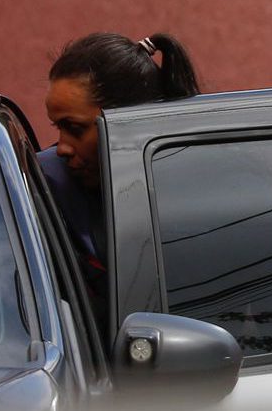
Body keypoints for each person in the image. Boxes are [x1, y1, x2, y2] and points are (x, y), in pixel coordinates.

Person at [39, 32, 200, 325]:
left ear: (126, 124)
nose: (61, 147)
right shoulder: (45, 188)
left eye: (74, 128)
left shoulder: (210, 196)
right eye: (57, 127)